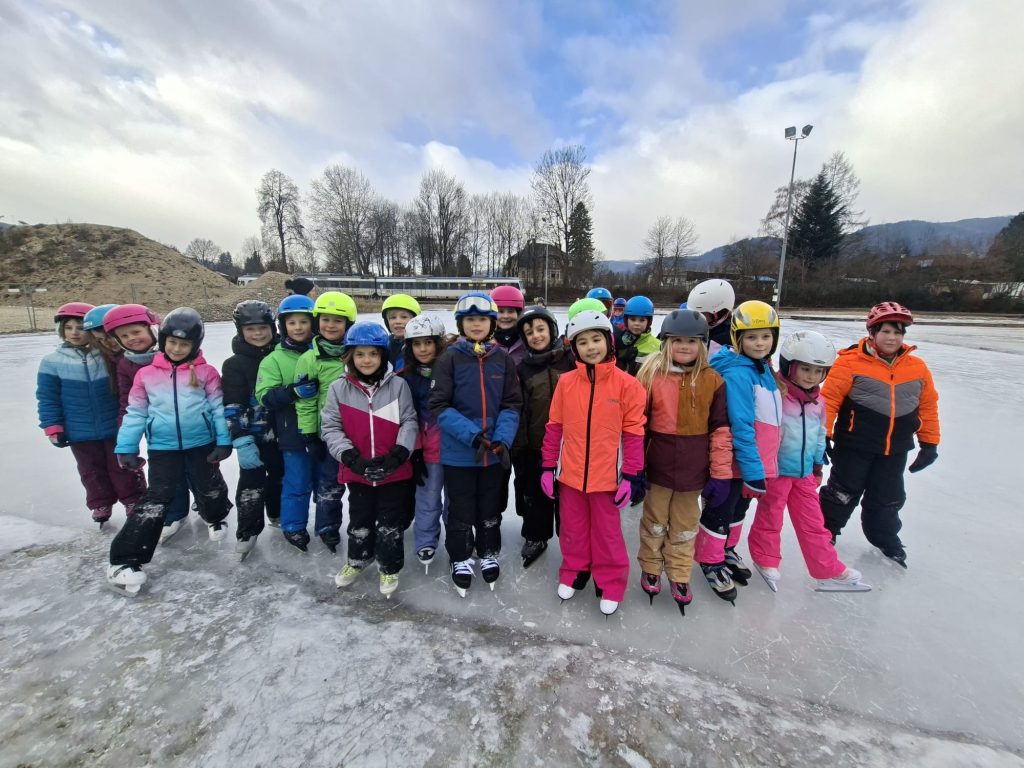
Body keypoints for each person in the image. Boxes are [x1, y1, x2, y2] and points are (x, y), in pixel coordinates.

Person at [106, 308, 232, 595]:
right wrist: (126, 447)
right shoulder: (146, 375)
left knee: (208, 484)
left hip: (201, 442)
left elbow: (217, 409)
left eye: (184, 344)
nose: (176, 349)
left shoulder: (207, 373)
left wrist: (223, 441)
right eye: (171, 342)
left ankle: (216, 517)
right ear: (162, 341)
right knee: (157, 497)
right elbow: (135, 412)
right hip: (163, 447)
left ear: (195, 345)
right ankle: (124, 560)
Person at [540, 310, 647, 616]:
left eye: (596, 339)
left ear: (608, 341)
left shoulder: (627, 385)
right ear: (574, 348)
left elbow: (634, 433)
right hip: (570, 475)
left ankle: (610, 581)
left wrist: (631, 475)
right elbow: (555, 427)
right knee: (572, 529)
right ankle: (574, 570)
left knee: (607, 533)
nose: (590, 347)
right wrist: (548, 466)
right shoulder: (566, 383)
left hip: (607, 477)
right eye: (582, 342)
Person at [818, 302, 940, 568]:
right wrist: (822, 435)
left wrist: (929, 443)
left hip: (895, 449)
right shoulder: (850, 362)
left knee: (888, 497)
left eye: (898, 332)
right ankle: (826, 533)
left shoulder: (917, 368)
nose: (892, 338)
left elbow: (928, 406)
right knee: (842, 492)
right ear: (872, 332)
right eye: (885, 331)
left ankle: (886, 539)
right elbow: (829, 400)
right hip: (854, 445)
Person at [747, 331, 869, 591]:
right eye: (805, 369)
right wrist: (761, 467)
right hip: (777, 472)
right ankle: (765, 559)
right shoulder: (776, 395)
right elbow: (765, 433)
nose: (811, 376)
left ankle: (827, 568)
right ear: (789, 366)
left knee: (814, 522)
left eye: (818, 371)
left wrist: (816, 465)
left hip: (803, 474)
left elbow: (818, 435)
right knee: (771, 518)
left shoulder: (818, 402)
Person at [635, 310, 732, 615]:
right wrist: (635, 467)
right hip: (658, 468)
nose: (685, 346)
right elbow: (637, 425)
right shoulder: (651, 375)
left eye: (692, 341)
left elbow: (721, 431)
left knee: (685, 526)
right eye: (677, 340)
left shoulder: (712, 381)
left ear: (702, 344)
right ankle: (651, 566)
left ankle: (679, 572)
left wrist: (721, 474)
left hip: (694, 472)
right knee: (654, 522)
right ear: (666, 343)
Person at [429, 292, 522, 596]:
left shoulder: (502, 359)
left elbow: (511, 403)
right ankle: (459, 556)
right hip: (460, 454)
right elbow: (439, 405)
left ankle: (488, 551)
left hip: (494, 453)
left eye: (482, 319)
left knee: (490, 507)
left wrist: (502, 439)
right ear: (461, 324)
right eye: (470, 319)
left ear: (492, 323)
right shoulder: (449, 359)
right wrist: (472, 435)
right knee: (461, 509)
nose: (476, 324)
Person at [322, 322, 418, 597]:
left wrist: (398, 455)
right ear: (350, 356)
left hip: (393, 471)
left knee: (390, 522)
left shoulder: (398, 385)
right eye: (360, 354)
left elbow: (410, 421)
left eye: (373, 354)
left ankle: (389, 566)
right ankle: (357, 558)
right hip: (357, 470)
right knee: (359, 517)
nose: (366, 360)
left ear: (383, 356)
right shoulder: (339, 388)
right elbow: (331, 427)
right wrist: (351, 458)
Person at [698, 300, 783, 604]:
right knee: (720, 511)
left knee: (738, 511)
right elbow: (742, 426)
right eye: (751, 337)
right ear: (737, 338)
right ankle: (710, 560)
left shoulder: (763, 369)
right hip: (736, 463)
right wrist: (753, 470)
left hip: (754, 462)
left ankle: (727, 550)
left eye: (766, 336)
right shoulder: (738, 374)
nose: (759, 343)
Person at [36, 302, 145, 528]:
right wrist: (53, 426)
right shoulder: (52, 362)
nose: (74, 333)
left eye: (80, 328)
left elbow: (127, 386)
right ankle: (100, 503)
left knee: (123, 465)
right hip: (79, 429)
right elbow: (47, 397)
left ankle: (134, 499)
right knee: (90, 469)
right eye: (68, 328)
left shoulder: (108, 356)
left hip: (113, 425)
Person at [104, 303, 194, 542]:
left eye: (136, 332)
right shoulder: (126, 364)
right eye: (124, 336)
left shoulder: (175, 351)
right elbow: (128, 404)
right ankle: (175, 514)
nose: (132, 338)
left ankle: (208, 506)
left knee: (197, 472)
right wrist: (126, 443)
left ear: (153, 330)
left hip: (193, 430)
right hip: (160, 434)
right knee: (167, 477)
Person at [292, 291, 357, 552]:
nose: (330, 325)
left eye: (337, 321)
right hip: (329, 435)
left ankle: (364, 524)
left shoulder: (357, 353)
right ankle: (328, 527)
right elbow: (306, 402)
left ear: (348, 325)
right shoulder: (309, 359)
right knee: (329, 485)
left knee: (361, 485)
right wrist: (310, 434)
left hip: (361, 433)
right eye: (325, 319)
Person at [511, 305, 575, 568]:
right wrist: (520, 447)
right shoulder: (522, 369)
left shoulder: (570, 361)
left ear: (552, 330)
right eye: (529, 333)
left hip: (570, 445)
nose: (536, 335)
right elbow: (519, 409)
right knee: (536, 495)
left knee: (569, 498)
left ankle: (571, 540)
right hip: (536, 445)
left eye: (540, 329)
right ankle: (536, 536)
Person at [221, 300, 283, 559]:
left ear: (272, 327)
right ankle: (247, 531)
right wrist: (241, 439)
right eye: (250, 329)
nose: (258, 334)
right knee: (251, 485)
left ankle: (277, 514)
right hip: (253, 438)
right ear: (240, 331)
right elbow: (232, 405)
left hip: (282, 435)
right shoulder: (234, 364)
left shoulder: (283, 355)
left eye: (262, 328)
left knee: (280, 477)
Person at [255, 295, 318, 547]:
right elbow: (264, 396)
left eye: (304, 321)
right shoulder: (274, 360)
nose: (298, 327)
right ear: (283, 326)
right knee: (297, 481)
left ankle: (328, 525)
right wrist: (291, 392)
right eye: (292, 323)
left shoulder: (324, 353)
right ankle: (293, 526)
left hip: (326, 430)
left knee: (326, 484)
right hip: (293, 433)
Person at [400, 313, 449, 569]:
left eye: (428, 342)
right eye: (417, 344)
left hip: (454, 451)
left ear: (438, 343)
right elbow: (406, 418)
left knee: (456, 501)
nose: (422, 349)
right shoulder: (406, 378)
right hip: (426, 452)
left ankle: (457, 538)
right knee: (428, 500)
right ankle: (425, 540)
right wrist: (415, 451)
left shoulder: (453, 370)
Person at [614, 296, 660, 376]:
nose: (637, 324)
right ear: (626, 320)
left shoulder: (657, 346)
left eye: (642, 320)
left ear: (649, 322)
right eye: (633, 319)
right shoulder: (618, 341)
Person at [687, 279, 735, 354]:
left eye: (703, 314)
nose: (696, 319)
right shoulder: (694, 327)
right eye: (694, 314)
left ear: (720, 312)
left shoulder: (726, 338)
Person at [380, 293, 421, 370]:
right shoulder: (384, 344)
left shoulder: (421, 346)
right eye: (393, 317)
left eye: (404, 317)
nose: (398, 321)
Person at [491, 285, 527, 366]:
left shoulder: (527, 341)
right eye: (500, 311)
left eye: (511, 311)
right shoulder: (484, 344)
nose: (506, 316)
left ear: (519, 314)